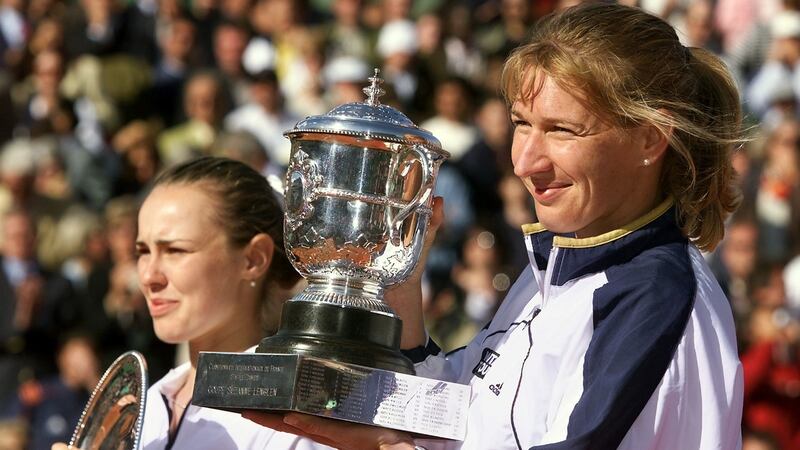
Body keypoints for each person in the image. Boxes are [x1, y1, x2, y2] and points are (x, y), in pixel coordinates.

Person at [245, 3, 745, 449]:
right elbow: (455, 414)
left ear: (650, 141)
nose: (526, 161)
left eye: (562, 130)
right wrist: (398, 283)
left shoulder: (656, 295)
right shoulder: (551, 271)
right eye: (523, 123)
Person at [54, 156, 330, 449]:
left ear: (253, 259)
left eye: (175, 250)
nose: (148, 276)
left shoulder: (294, 423)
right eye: (143, 251)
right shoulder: (148, 406)